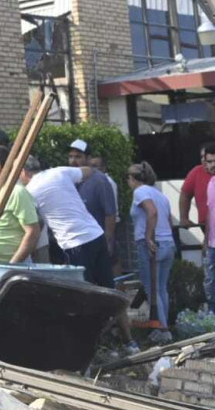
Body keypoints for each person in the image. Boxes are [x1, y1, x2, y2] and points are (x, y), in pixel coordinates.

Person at [22, 161, 113, 287]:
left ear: (23, 171)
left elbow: (35, 224)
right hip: (96, 234)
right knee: (107, 286)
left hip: (74, 242)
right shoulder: (59, 172)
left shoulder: (28, 192)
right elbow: (88, 170)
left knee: (85, 290)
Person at [127, 162, 175, 328]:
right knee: (161, 288)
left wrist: (148, 237)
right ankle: (165, 327)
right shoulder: (159, 193)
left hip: (151, 245)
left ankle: (162, 330)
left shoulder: (140, 191)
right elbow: (168, 219)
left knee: (151, 289)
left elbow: (152, 212)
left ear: (132, 179)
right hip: (168, 242)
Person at [177, 141, 215, 309]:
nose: (209, 164)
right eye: (206, 160)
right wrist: (184, 218)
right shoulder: (201, 176)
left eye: (213, 160)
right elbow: (185, 195)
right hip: (209, 232)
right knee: (210, 278)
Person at [68, 140, 118, 266]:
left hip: (97, 243)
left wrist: (107, 242)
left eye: (78, 157)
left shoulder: (99, 180)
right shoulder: (67, 178)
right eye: (70, 156)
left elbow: (110, 213)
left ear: (88, 158)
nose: (73, 160)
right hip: (75, 243)